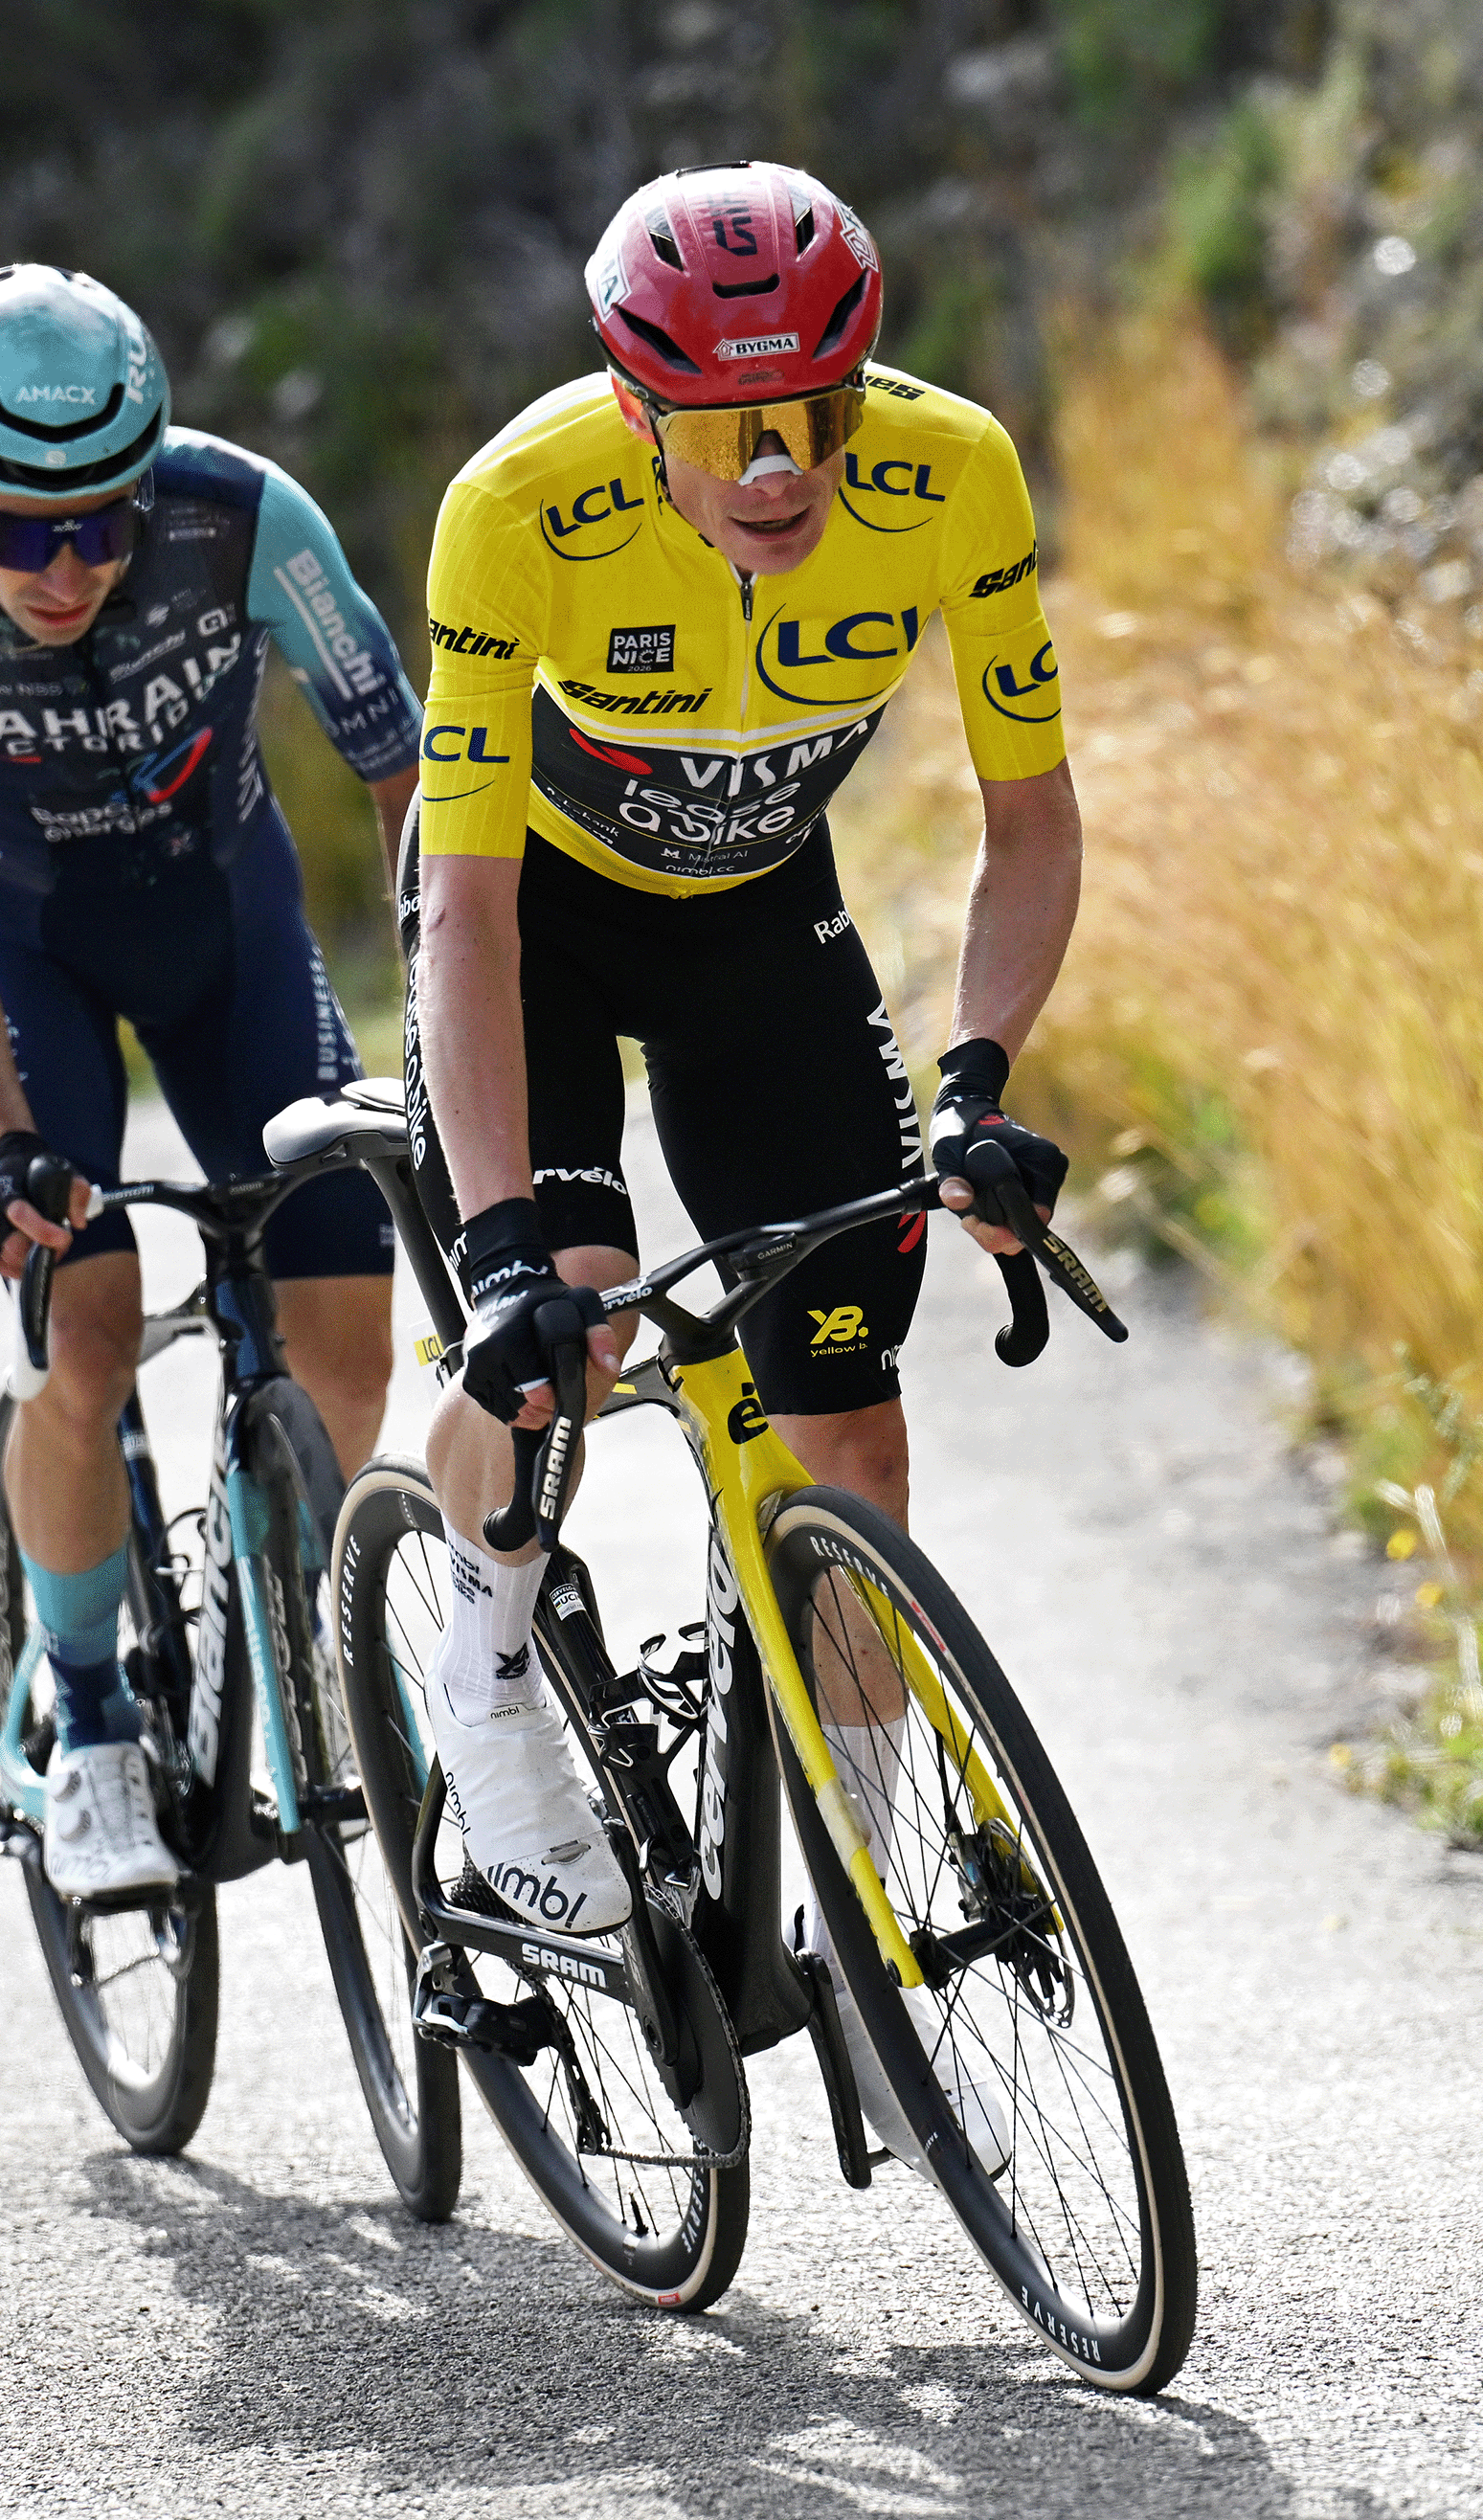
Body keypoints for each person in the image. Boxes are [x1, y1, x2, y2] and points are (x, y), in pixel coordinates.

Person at [402, 162, 1082, 1949]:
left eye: (817, 418)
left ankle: (869, 1909)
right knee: (566, 1333)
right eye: (724, 431)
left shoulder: (957, 473)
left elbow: (1030, 819)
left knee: (851, 1429)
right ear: (638, 414)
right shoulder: (515, 509)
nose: (779, 469)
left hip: (761, 919)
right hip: (538, 927)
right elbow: (461, 905)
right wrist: (498, 1248)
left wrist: (979, 1082)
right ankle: (484, 1681)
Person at [0, 265, 420, 1901]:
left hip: (232, 936)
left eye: (102, 523)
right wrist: (4, 1135)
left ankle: (268, 1615)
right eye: (20, 532)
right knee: (86, 1327)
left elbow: (405, 769)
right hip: (31, 967)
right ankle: (87, 1727)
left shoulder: (243, 521)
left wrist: (440, 1007)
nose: (69, 567)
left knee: (346, 1346)